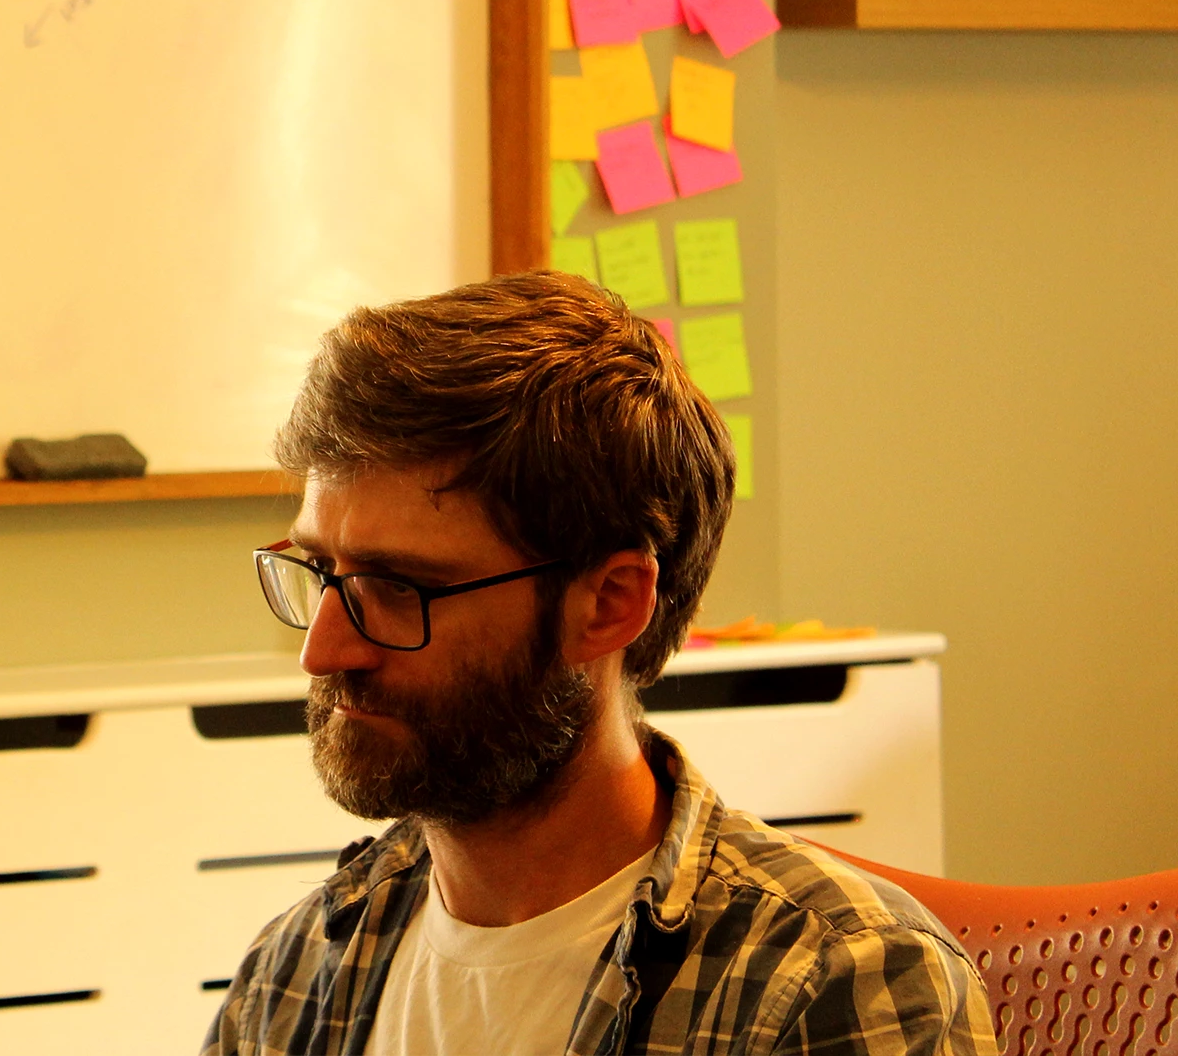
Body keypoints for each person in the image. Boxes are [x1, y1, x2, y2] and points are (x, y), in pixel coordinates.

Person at [205, 272, 993, 1056]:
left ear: (611, 604)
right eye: (321, 572)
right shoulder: (298, 971)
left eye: (399, 587)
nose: (324, 649)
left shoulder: (835, 984)